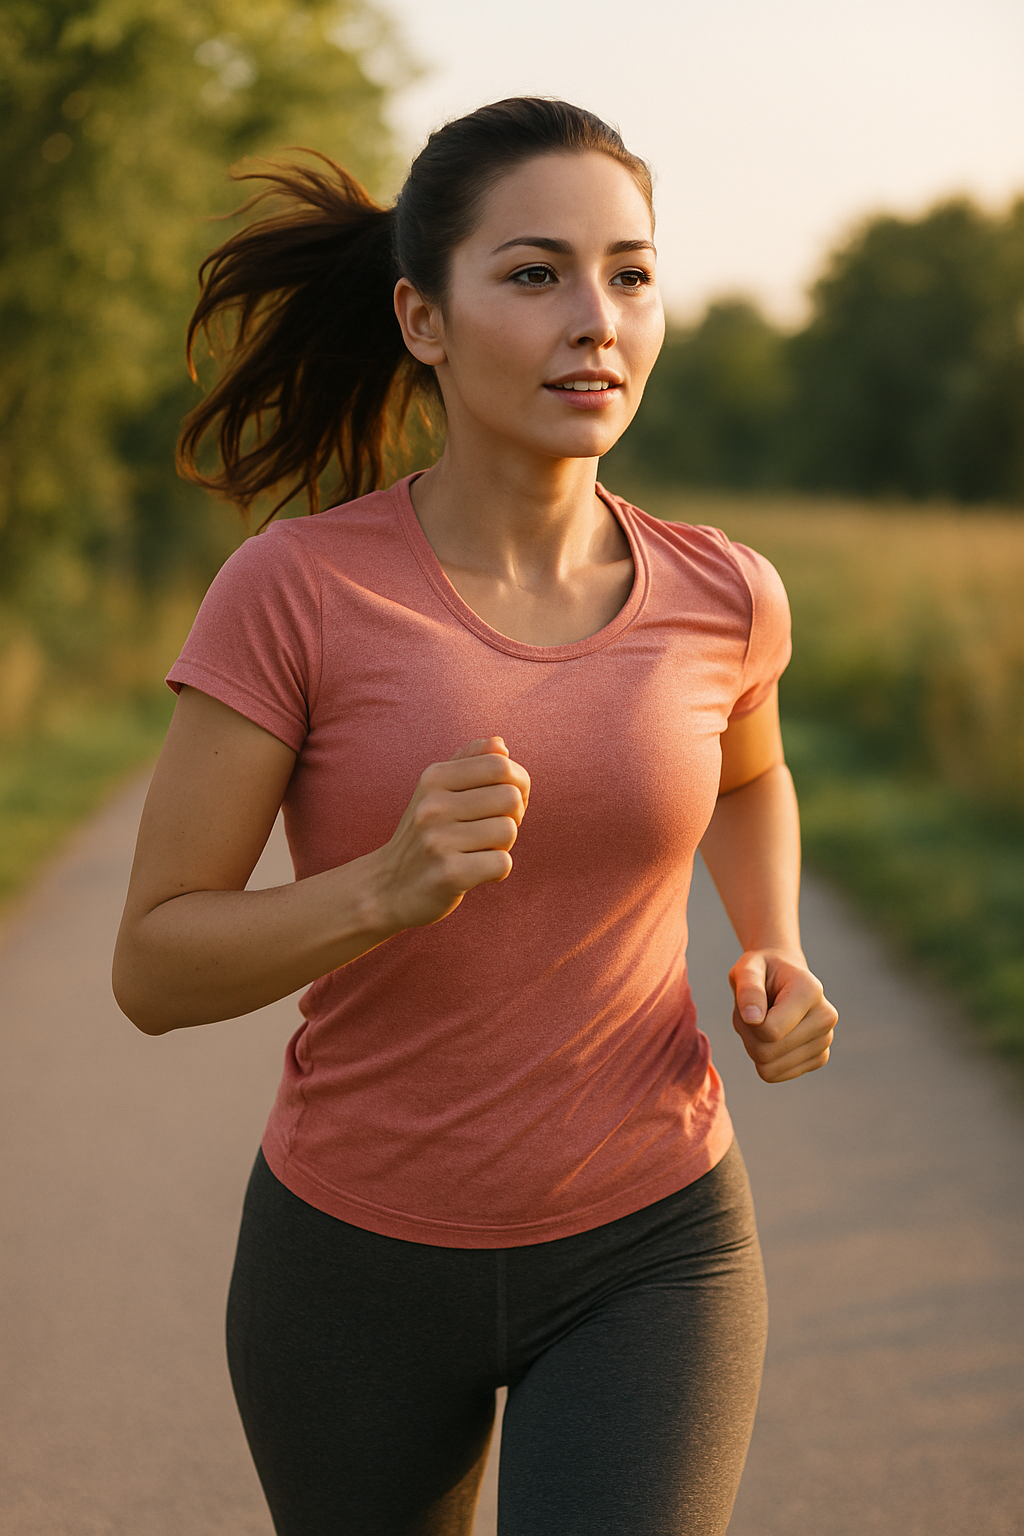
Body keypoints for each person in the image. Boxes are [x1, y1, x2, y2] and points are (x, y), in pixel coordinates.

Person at [113, 98, 837, 1536]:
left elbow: (750, 776)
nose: (597, 321)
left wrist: (775, 943)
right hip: (352, 1267)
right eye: (535, 274)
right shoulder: (298, 592)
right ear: (422, 319)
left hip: (656, 1241)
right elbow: (154, 967)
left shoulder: (726, 592)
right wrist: (380, 891)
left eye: (630, 274)